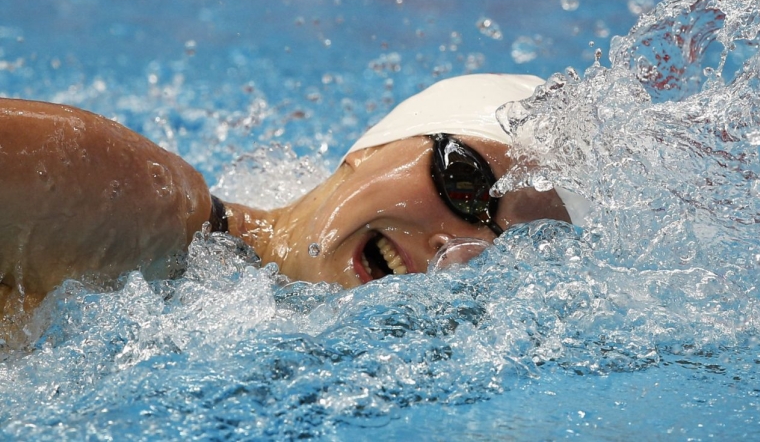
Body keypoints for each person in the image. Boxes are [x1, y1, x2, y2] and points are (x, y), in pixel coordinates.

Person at [0, 74, 581, 317]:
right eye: (464, 183)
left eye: (504, 253)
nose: (453, 246)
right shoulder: (146, 206)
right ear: (372, 148)